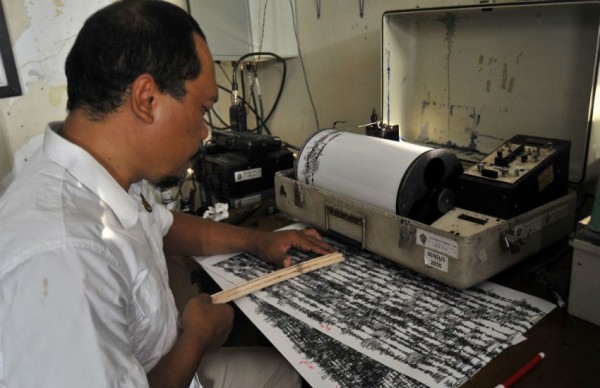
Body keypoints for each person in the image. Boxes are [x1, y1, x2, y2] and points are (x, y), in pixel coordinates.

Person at [0, 1, 334, 387]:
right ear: (146, 99)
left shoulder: (103, 171)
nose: (206, 131)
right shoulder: (63, 258)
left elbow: (162, 225)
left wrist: (260, 242)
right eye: (203, 108)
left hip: (166, 365)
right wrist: (196, 337)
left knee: (291, 375)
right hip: (168, 368)